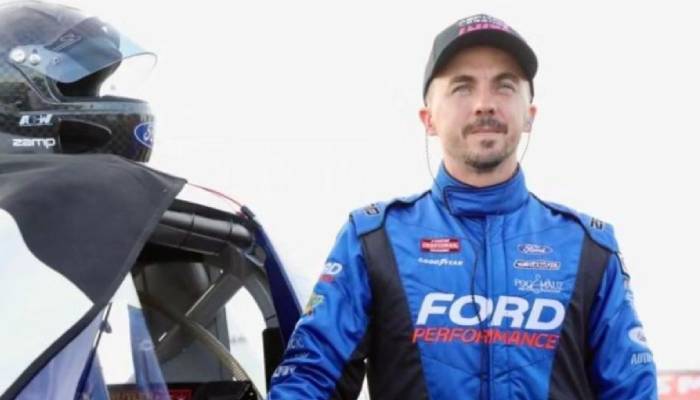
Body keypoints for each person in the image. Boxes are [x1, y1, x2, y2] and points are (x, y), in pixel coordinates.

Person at [268, 13, 657, 399]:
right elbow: (309, 379)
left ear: (530, 116)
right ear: (428, 119)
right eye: (462, 87)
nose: (484, 104)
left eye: (504, 86)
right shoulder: (373, 242)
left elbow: (632, 390)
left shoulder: (588, 249)